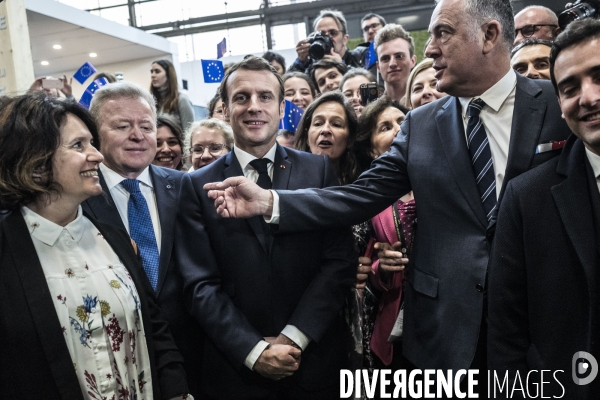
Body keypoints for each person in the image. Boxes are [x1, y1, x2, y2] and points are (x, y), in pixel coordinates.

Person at [203, 0, 571, 388]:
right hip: (448, 335)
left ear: (490, 35)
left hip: (546, 320)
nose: (429, 50)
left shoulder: (558, 102)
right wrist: (269, 201)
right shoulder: (422, 125)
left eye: (442, 33)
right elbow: (358, 196)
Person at [174, 56, 355, 400]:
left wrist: (293, 337)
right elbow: (200, 286)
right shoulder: (197, 186)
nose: (254, 107)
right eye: (242, 97)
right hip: (235, 373)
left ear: (282, 106)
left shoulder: (318, 172)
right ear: (225, 109)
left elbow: (339, 263)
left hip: (313, 364)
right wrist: (254, 351)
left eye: (265, 97)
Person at [0, 93, 190, 399]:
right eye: (78, 146)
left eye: (92, 142)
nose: (97, 155)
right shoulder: (8, 246)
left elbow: (154, 328)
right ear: (35, 162)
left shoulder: (112, 236)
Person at [488, 18, 600, 399]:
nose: (587, 97)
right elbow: (507, 336)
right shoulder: (527, 199)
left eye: (598, 76)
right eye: (569, 88)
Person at [82, 82, 203, 398]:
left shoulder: (184, 186)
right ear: (95, 134)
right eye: (123, 126)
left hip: (192, 354)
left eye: (146, 126)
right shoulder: (79, 197)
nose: (137, 135)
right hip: (115, 359)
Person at [295, 91, 360, 185]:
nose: (325, 130)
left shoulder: (362, 184)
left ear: (350, 138)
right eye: (318, 124)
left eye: (336, 124)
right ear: (306, 137)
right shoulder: (287, 182)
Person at [288, 9, 364, 73]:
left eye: (333, 33)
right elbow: (284, 86)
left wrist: (341, 67)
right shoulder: (310, 66)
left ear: (345, 39)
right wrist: (300, 63)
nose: (327, 38)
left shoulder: (358, 58)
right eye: (321, 34)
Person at [374, 24, 417, 104]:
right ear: (378, 67)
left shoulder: (427, 101)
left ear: (413, 61)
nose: (392, 64)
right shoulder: (374, 112)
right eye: (385, 58)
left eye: (399, 56)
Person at [150, 59, 195, 131]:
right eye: (151, 72)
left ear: (168, 75)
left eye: (157, 71)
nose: (153, 75)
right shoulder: (151, 101)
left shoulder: (181, 100)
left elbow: (189, 132)